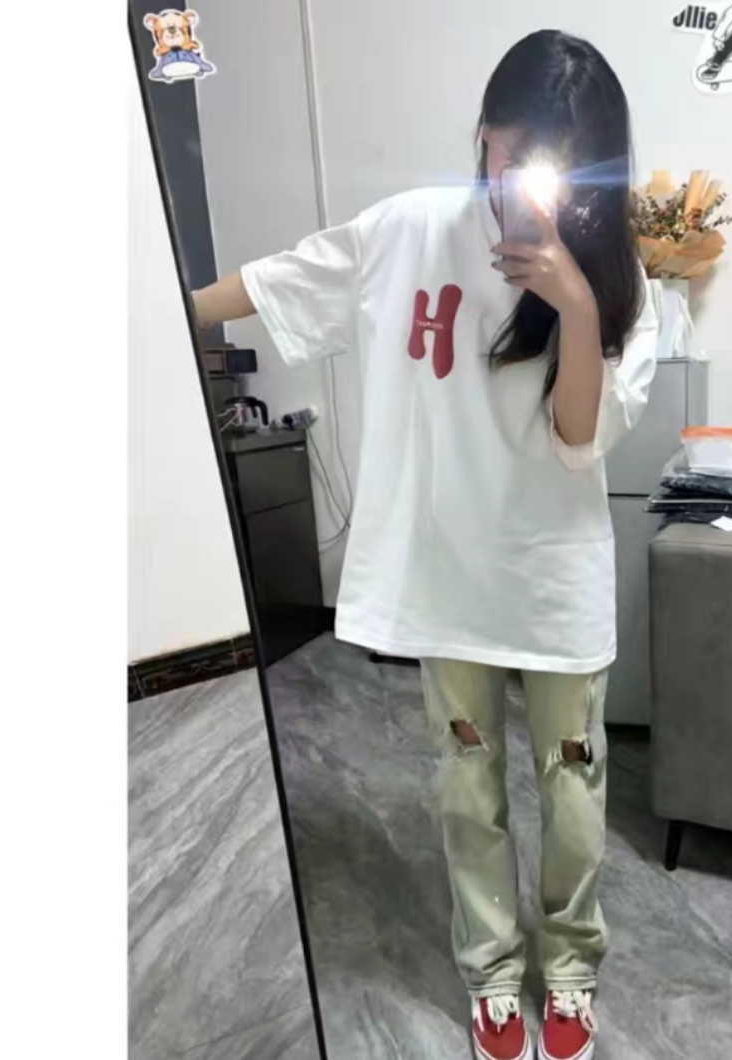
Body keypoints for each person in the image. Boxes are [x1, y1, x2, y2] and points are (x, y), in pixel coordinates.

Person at [192, 30, 657, 1060]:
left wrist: (575, 303)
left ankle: (570, 965)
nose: (522, 175)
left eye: (557, 158)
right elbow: (276, 280)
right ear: (483, 130)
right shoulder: (409, 229)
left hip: (552, 581)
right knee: (466, 788)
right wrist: (153, 315)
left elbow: (576, 437)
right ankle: (490, 971)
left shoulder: (615, 274)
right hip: (447, 580)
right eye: (513, 146)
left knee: (573, 794)